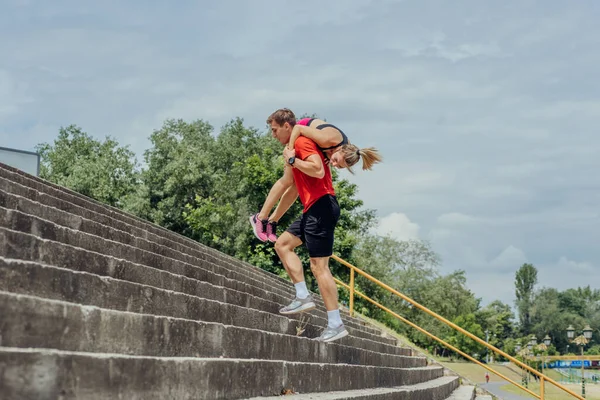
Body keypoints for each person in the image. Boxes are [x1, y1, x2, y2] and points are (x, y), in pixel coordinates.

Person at [265, 107, 348, 343]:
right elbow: (291, 189)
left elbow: (318, 170)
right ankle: (303, 296)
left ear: (286, 126)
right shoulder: (298, 146)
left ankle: (335, 323)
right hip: (313, 208)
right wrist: (272, 219)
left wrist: (292, 159)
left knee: (319, 267)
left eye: (274, 130)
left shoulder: (300, 143)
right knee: (282, 245)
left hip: (321, 207)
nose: (273, 135)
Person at [249, 111, 382, 243]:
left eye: (338, 166)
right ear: (339, 150)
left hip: (312, 139)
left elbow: (332, 157)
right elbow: (298, 128)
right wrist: (290, 152)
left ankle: (272, 221)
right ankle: (260, 217)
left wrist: (328, 158)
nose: (334, 164)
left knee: (296, 187)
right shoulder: (327, 139)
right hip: (300, 130)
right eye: (334, 160)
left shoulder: (348, 151)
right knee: (288, 180)